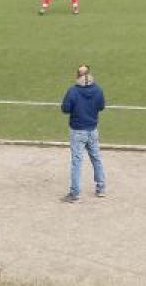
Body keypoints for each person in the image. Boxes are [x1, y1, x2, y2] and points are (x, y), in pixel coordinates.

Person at [60, 63, 106, 202]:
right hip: (92, 130)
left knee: (76, 162)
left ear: (77, 75)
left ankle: (74, 193)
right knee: (96, 158)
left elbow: (65, 109)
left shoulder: (73, 91)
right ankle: (101, 188)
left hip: (77, 131)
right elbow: (101, 106)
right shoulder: (97, 89)